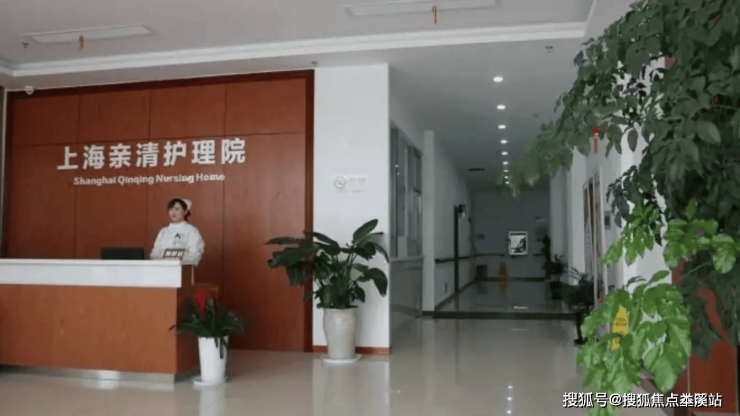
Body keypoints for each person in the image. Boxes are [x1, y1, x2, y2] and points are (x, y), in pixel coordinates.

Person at [150, 198, 205, 266]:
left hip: (183, 268)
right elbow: (155, 254)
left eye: (177, 209)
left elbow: (194, 255)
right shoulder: (163, 231)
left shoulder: (192, 231)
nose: (173, 212)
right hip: (163, 268)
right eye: (171, 209)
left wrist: (177, 260)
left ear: (185, 211)